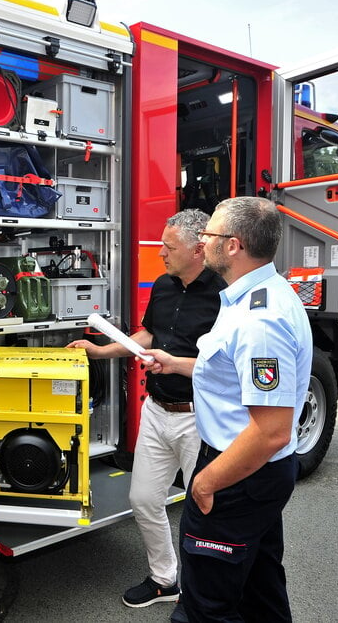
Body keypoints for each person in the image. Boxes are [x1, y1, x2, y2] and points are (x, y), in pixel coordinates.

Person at [143, 197, 312, 622]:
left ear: (233, 245)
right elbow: (233, 370)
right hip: (254, 472)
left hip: (240, 472)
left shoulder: (260, 321)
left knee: (207, 605)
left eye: (209, 234)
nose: (202, 240)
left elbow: (271, 430)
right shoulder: (255, 296)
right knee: (259, 588)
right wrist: (177, 362)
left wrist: (205, 482)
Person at [68, 209, 225, 616]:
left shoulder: (226, 294)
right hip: (156, 409)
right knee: (143, 499)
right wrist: (101, 350)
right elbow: (147, 335)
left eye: (169, 247)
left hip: (199, 415)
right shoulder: (164, 286)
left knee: (203, 508)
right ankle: (164, 579)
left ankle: (203, 591)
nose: (161, 254)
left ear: (198, 248)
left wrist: (173, 362)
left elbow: (228, 362)